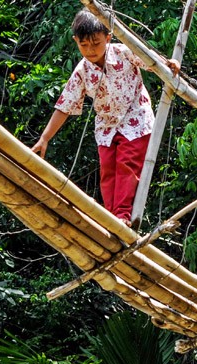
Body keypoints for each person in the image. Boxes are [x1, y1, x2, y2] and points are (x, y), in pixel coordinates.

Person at [31, 9, 179, 228]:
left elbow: (152, 62)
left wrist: (170, 64)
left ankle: (121, 216)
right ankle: (110, 219)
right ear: (76, 42)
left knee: (127, 165)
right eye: (84, 45)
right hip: (107, 127)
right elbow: (64, 105)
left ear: (107, 38)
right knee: (108, 171)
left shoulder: (123, 52)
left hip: (136, 119)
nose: (90, 50)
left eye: (96, 43)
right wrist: (45, 138)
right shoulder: (82, 71)